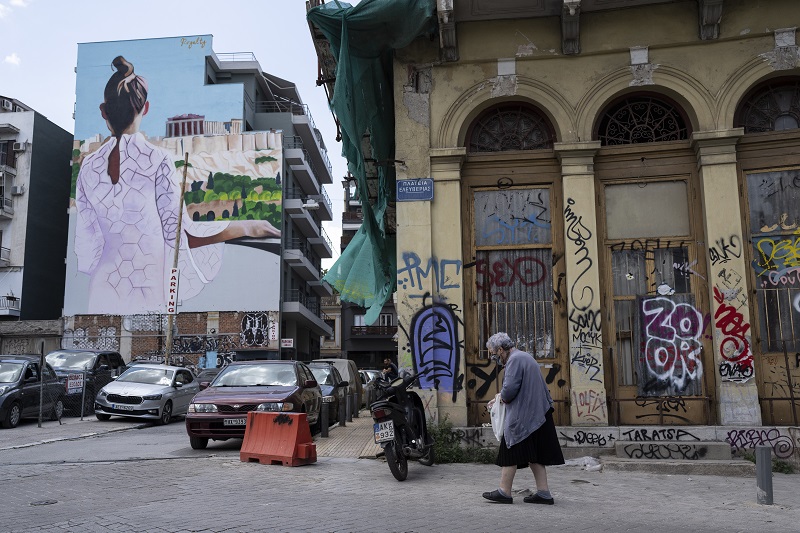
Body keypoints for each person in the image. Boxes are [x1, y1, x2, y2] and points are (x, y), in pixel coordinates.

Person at [75, 56, 280, 314]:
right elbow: (181, 234)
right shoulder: (157, 159)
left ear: (103, 111)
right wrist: (247, 227)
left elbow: (87, 248)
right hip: (148, 291)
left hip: (100, 294)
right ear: (145, 108)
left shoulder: (88, 168)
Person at [482, 332, 564, 505]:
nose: (493, 357)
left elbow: (510, 390)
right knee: (535, 455)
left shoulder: (514, 360)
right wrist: (500, 396)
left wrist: (501, 398)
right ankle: (543, 493)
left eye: (493, 353)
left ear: (501, 349)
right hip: (538, 414)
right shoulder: (523, 357)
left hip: (525, 415)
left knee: (510, 448)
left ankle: (504, 491)